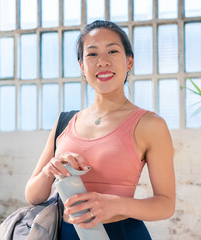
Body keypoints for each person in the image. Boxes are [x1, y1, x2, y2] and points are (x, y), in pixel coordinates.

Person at [24, 20, 176, 239]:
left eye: (113, 51)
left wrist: (115, 204)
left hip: (122, 233)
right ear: (82, 67)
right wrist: (50, 170)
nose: (103, 62)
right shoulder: (64, 122)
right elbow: (33, 196)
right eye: (92, 54)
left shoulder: (150, 124)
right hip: (65, 234)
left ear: (129, 61)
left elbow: (165, 204)